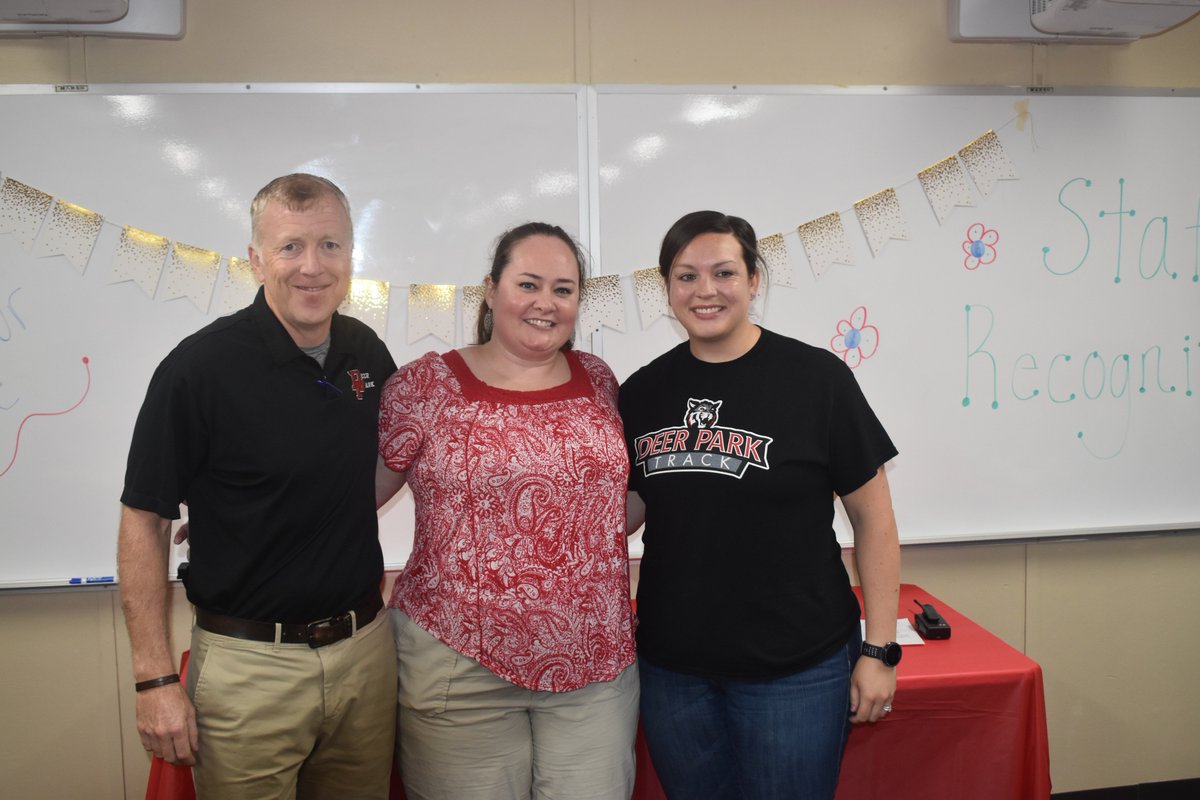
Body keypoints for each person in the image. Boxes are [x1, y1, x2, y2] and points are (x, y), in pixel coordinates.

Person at [118, 173, 399, 798]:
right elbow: (145, 519)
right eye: (290, 247)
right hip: (249, 668)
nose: (312, 267)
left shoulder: (367, 352)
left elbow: (382, 463)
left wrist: (270, 513)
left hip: (364, 655)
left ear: (351, 255)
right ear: (255, 259)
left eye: (330, 246)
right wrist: (154, 680)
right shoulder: (197, 369)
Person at [619, 210, 902, 800]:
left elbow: (874, 522)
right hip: (674, 669)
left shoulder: (817, 380)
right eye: (685, 276)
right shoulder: (642, 392)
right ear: (666, 288)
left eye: (724, 272)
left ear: (754, 280)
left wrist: (879, 649)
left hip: (796, 668)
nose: (705, 291)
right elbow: (627, 511)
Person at [374, 222, 638, 800]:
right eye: (529, 284)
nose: (546, 303)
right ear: (491, 291)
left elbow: (606, 508)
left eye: (564, 289)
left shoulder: (600, 381)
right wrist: (246, 516)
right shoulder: (425, 386)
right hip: (456, 665)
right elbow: (350, 496)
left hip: (595, 667)